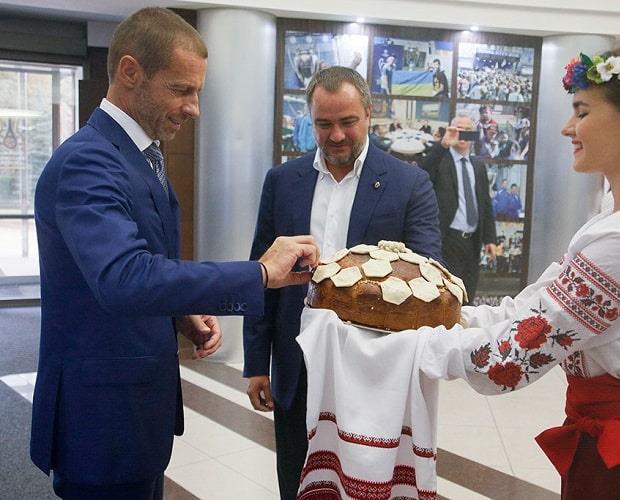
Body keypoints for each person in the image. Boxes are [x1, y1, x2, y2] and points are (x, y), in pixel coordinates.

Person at [30, 8, 320, 500]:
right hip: (100, 422)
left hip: (134, 414)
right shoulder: (88, 161)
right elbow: (123, 277)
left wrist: (180, 313)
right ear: (130, 72)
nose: (194, 108)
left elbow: (139, 262)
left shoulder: (140, 155)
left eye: (197, 92)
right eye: (181, 90)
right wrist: (258, 274)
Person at [420, 45, 620, 498]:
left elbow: (513, 357)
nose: (569, 127)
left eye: (582, 112)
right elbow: (533, 308)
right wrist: (441, 315)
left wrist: (414, 346)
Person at [243, 66, 442, 500]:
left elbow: (428, 276)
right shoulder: (283, 182)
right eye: (324, 123)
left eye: (347, 122)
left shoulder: (409, 184)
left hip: (374, 372)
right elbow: (262, 274)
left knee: (365, 483)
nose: (336, 135)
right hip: (298, 364)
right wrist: (257, 362)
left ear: (369, 114)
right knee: (297, 478)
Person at [420, 114, 496, 304]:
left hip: (472, 242)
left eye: (467, 130)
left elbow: (485, 203)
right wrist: (443, 145)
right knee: (446, 297)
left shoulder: (478, 166)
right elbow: (422, 174)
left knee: (467, 295)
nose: (462, 134)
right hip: (447, 240)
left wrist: (490, 239)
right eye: (458, 129)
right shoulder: (440, 160)